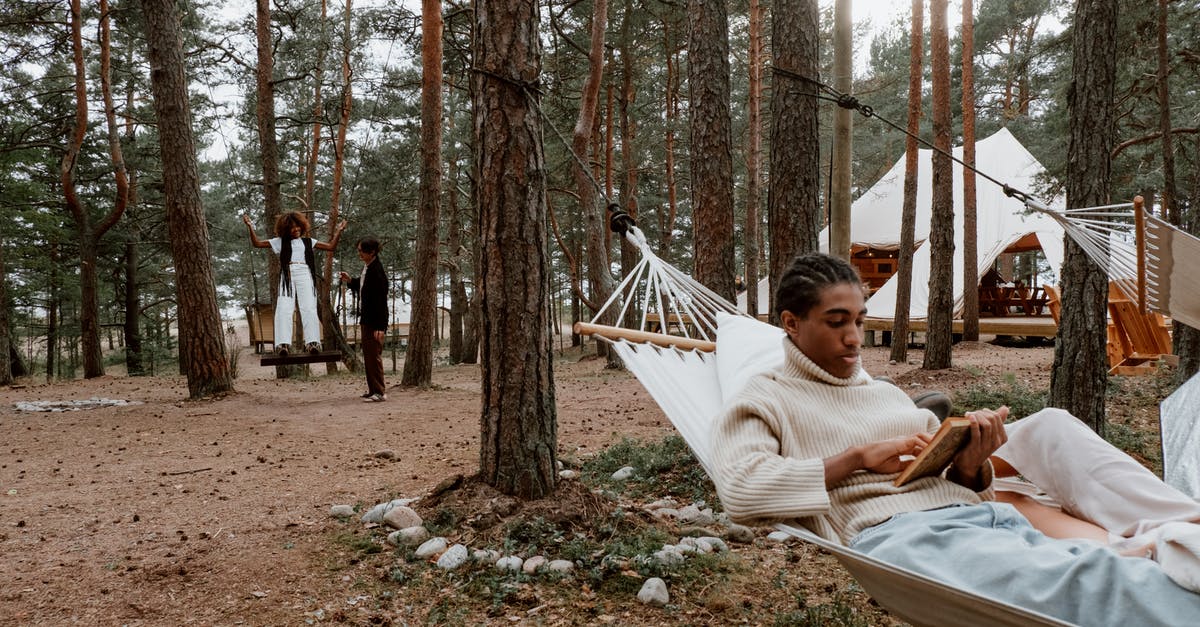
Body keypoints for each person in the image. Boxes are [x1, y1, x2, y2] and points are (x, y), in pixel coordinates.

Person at [709, 252, 1200, 625]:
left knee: (1107, 569)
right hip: (901, 539)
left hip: (988, 520)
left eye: (858, 321)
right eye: (837, 323)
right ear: (791, 324)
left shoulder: (883, 394)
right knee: (1101, 584)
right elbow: (741, 490)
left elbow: (965, 484)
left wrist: (971, 463)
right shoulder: (764, 397)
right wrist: (858, 457)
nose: (855, 338)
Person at [243, 212, 346, 356]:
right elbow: (257, 244)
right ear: (285, 229)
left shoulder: (309, 242)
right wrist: (250, 227)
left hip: (305, 272)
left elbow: (330, 247)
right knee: (284, 309)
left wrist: (339, 231)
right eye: (292, 227)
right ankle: (282, 344)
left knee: (309, 307)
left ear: (302, 226)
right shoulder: (280, 241)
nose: (296, 229)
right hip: (288, 274)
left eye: (298, 226)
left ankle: (312, 343)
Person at [339, 237, 388, 402]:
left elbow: (381, 302)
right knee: (368, 355)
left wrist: (381, 327)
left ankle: (379, 392)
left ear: (371, 252)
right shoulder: (368, 267)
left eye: (361, 250)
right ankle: (372, 389)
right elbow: (362, 285)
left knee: (374, 356)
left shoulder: (377, 272)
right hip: (367, 319)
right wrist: (350, 280)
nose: (358, 253)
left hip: (375, 322)